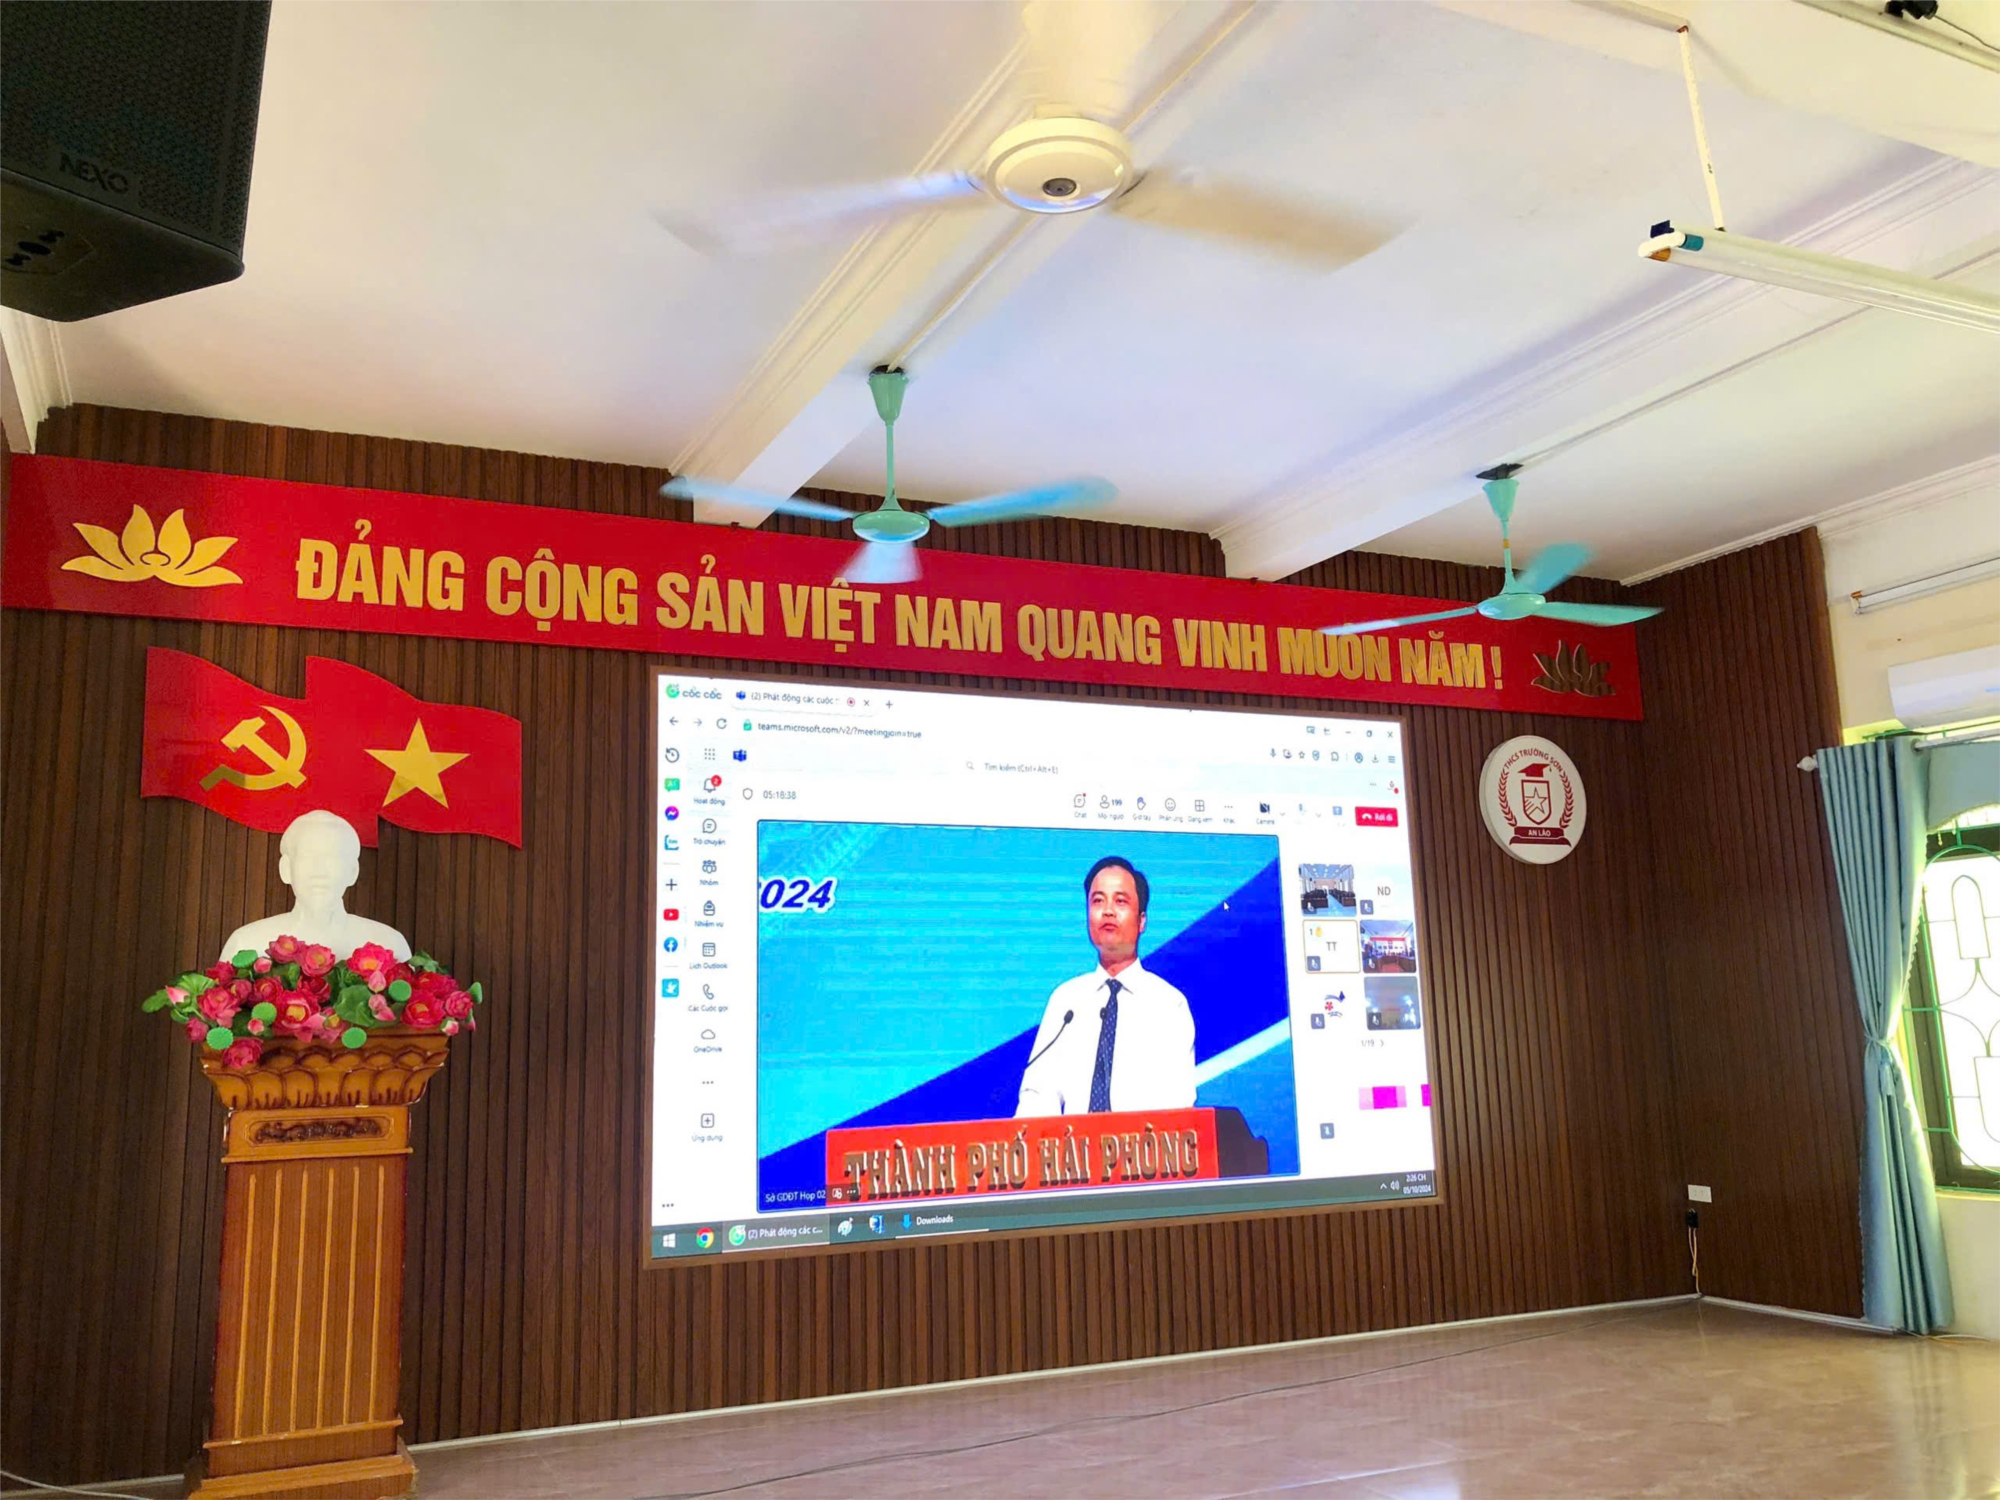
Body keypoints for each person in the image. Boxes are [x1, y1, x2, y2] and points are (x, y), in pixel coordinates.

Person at [1016, 856, 1195, 1116]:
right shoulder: (1066, 1001)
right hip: (1072, 1143)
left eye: (1120, 901)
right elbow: (1037, 1096)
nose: (1108, 911)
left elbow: (1177, 1105)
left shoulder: (1169, 1005)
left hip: (1143, 1141)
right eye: (1098, 901)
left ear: (1142, 920)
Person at [218, 809, 412, 962]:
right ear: (286, 869)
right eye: (308, 857)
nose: (320, 871)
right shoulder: (246, 943)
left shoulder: (389, 944)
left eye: (332, 858)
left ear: (353, 871)